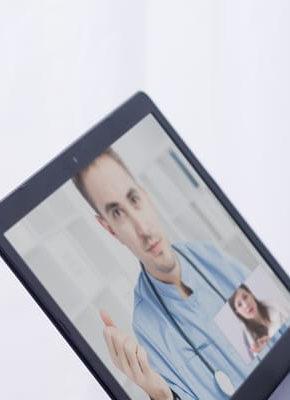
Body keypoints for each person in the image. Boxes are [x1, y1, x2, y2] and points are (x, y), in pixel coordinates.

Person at [74, 148, 251, 400]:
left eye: (134, 200)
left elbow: (280, 338)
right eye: (117, 213)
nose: (143, 229)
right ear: (110, 229)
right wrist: (160, 395)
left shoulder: (209, 257)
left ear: (146, 196)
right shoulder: (147, 326)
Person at [228, 284, 290, 361]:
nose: (246, 305)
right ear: (237, 312)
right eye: (239, 305)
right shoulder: (250, 342)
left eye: (245, 297)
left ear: (251, 294)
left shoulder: (278, 307)